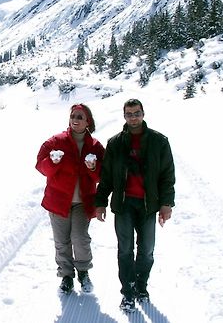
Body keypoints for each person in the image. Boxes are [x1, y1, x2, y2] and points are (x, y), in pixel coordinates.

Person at [94, 98, 175, 312]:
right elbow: (107, 176)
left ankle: (141, 286)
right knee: (125, 250)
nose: (133, 117)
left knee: (147, 250)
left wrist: (166, 204)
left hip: (149, 205)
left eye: (136, 113)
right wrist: (101, 202)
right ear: (124, 116)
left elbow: (167, 176)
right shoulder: (115, 143)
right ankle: (128, 292)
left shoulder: (159, 141)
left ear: (143, 113)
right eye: (129, 114)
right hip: (124, 204)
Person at [35, 103, 105, 294]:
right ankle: (66, 275)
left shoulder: (96, 146)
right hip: (58, 201)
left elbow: (103, 176)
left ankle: (83, 272)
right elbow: (41, 167)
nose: (75, 119)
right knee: (62, 240)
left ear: (88, 121)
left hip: (83, 202)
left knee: (80, 238)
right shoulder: (55, 141)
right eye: (73, 116)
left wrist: (93, 168)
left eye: (80, 117)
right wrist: (52, 162)